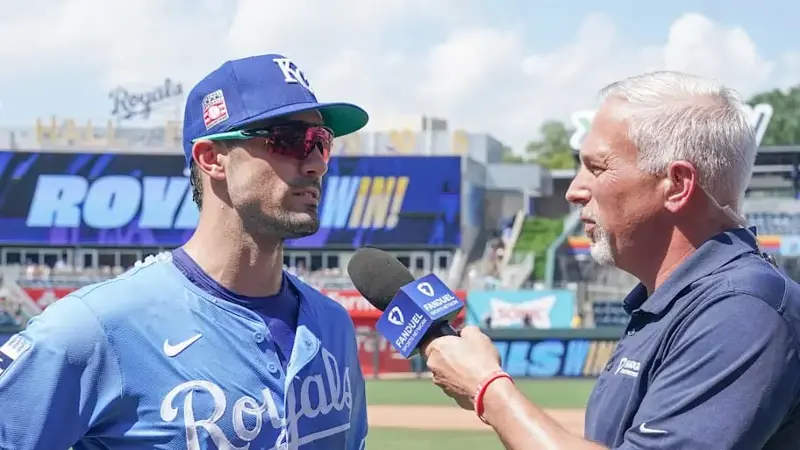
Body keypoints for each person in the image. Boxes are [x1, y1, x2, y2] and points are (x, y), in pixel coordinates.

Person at [0, 53, 371, 450]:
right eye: (290, 140)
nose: (316, 163)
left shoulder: (333, 326)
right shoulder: (92, 328)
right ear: (212, 159)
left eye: (322, 142)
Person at [422, 70, 800, 450]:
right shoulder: (677, 301)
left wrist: (487, 388)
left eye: (597, 167)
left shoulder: (742, 310)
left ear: (677, 185)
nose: (573, 190)